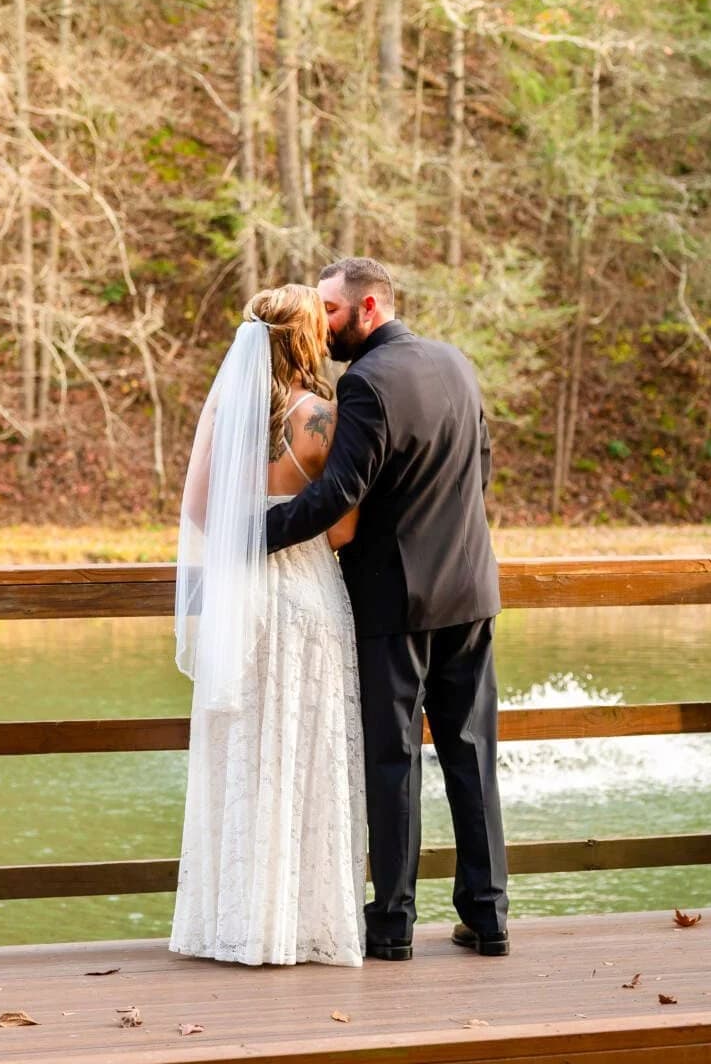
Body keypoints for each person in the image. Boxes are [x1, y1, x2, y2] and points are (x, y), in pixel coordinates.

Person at [264, 256, 509, 962]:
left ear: (369, 307)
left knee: (393, 761)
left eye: (331, 312)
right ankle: (488, 917)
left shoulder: (366, 381)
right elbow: (481, 468)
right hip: (470, 590)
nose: (323, 324)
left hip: (395, 602)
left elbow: (338, 494)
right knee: (472, 755)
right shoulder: (456, 362)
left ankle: (394, 924)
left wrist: (254, 538)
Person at [169, 284, 367, 966]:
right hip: (306, 596)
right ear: (309, 339)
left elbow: (198, 510)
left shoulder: (226, 413)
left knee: (242, 753)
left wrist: (243, 531)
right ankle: (300, 924)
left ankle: (231, 925)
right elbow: (341, 528)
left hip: (238, 602)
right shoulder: (322, 417)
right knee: (302, 751)